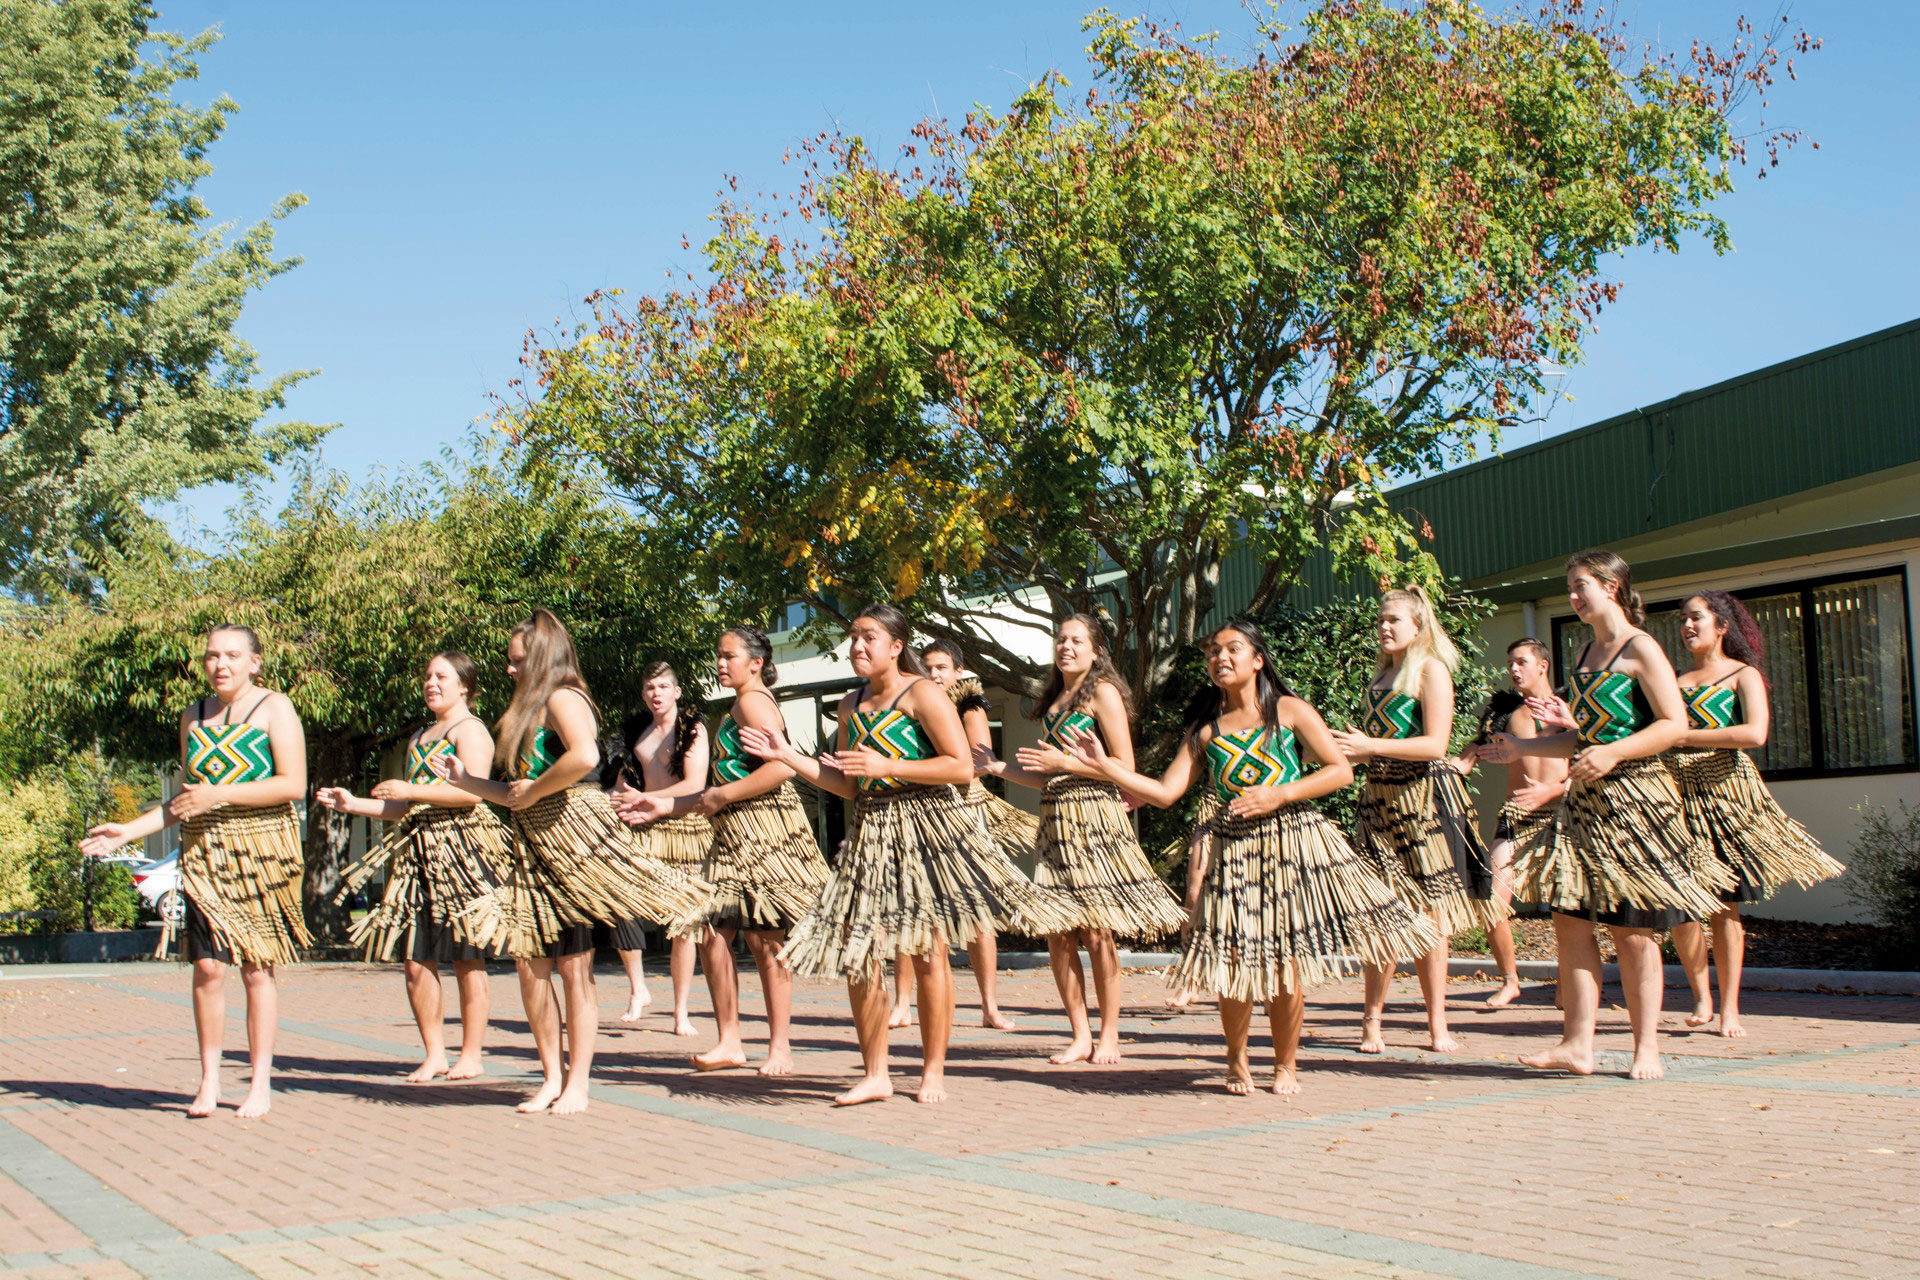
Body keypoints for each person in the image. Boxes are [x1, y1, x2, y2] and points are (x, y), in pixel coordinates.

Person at [1070, 622, 1435, 1095]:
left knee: (1285, 961)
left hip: (1290, 847)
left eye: (1233, 649)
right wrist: (1107, 768)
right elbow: (1163, 793)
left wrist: (1279, 794)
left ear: (1258, 659)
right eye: (1213, 652)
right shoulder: (1204, 731)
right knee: (1234, 959)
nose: (1221, 658)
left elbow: (1339, 770)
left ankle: (1285, 1065)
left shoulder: (1289, 710)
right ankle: (1236, 1058)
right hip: (1235, 852)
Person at [747, 605, 1076, 1104]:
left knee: (927, 952)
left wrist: (889, 762)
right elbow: (850, 786)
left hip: (925, 829)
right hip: (870, 831)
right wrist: (790, 757)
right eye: (854, 637)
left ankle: (933, 1072)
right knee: (858, 950)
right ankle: (875, 1073)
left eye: (869, 637)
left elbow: (961, 765)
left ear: (897, 646)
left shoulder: (921, 693)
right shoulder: (849, 705)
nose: (858, 646)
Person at [437, 609, 710, 1115]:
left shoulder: (564, 697)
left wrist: (531, 791)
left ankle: (577, 1083)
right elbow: (515, 791)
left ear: (540, 657)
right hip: (534, 848)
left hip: (571, 843)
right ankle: (550, 1076)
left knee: (573, 966)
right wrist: (467, 782)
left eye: (517, 660)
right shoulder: (523, 710)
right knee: (529, 966)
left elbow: (583, 758)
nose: (509, 670)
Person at [1481, 551, 1729, 1080]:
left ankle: (1646, 1049)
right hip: (1586, 807)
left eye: (1581, 586)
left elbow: (1673, 725)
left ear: (1612, 587)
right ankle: (1577, 1044)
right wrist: (1525, 747)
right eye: (1569, 587)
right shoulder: (1587, 651)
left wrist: (1614, 753)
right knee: (1569, 921)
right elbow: (1592, 739)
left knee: (1633, 930)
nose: (1573, 595)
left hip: (1638, 804)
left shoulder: (1642, 647)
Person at [81, 624, 310, 1119]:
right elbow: (184, 800)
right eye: (211, 656)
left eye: (231, 655)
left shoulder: (275, 707)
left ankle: (260, 1082)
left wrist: (219, 793)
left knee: (256, 970)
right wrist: (127, 831)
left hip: (260, 856)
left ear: (255, 661)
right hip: (204, 854)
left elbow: (292, 784)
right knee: (207, 968)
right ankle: (208, 1081)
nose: (220, 665)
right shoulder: (194, 717)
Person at [986, 613, 1187, 1065]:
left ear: (1096, 651)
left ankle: (1110, 1034)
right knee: (1059, 933)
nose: (1066, 647)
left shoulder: (1103, 693)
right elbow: (1046, 774)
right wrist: (997, 768)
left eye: (1077, 641)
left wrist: (1070, 765)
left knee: (1096, 934)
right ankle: (1079, 1035)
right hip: (1055, 821)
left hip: (1095, 821)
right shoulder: (1055, 700)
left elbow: (1126, 769)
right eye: (1060, 640)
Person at [628, 627, 828, 1075]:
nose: (721, 663)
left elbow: (781, 768)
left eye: (729, 656)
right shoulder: (738, 704)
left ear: (755, 662)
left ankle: (780, 1047)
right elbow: (712, 792)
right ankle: (730, 1041)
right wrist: (661, 804)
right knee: (713, 935)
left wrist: (726, 796)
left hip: (765, 833)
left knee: (765, 940)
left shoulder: (755, 701)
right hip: (732, 837)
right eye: (718, 656)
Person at [316, 652, 508, 1082]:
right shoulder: (420, 736)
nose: (431, 683)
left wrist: (412, 787)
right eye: (427, 676)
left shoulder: (470, 730)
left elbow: (472, 794)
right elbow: (403, 805)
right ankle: (435, 1052)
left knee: (466, 957)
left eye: (442, 677)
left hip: (460, 849)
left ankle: (471, 1054)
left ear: (465, 687)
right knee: (415, 958)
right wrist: (354, 804)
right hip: (417, 851)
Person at [1664, 591, 1844, 1038]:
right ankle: (1701, 996)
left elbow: (1755, 733)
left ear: (1721, 625)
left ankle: (1730, 1009)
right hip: (1676, 802)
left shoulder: (1743, 675)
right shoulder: (1673, 681)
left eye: (1696, 618)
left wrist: (1684, 737)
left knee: (1725, 908)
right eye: (1683, 619)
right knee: (1682, 907)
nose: (1687, 625)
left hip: (1725, 800)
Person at [1332, 586, 1499, 1054]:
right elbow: (1371, 744)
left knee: (1431, 918)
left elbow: (1436, 745)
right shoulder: (1380, 675)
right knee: (1380, 914)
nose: (1384, 627)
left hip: (1422, 803)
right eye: (1381, 619)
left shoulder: (1430, 670)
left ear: (1418, 627)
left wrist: (1370, 746)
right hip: (1378, 800)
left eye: (1394, 621)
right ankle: (1371, 1021)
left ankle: (1436, 1023)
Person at [884, 639, 1033, 1032]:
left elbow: (977, 762)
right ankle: (902, 1003)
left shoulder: (969, 705)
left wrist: (930, 765)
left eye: (941, 668)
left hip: (963, 812)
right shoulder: (912, 704)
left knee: (976, 911)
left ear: (958, 672)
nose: (933, 674)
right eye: (927, 667)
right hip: (918, 811)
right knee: (911, 905)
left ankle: (989, 1005)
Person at [1452, 638, 1570, 1008]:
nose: (1514, 669)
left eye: (1522, 662)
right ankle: (1510, 979)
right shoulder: (1504, 714)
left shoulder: (1568, 709)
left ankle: (1568, 984)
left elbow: (1591, 762)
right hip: (1516, 816)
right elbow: (1465, 760)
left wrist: (1551, 792)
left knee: (1569, 910)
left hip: (1562, 814)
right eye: (1510, 664)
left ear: (1542, 666)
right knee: (1490, 899)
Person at [606, 663, 713, 1037]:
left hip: (683, 826)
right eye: (650, 687)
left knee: (683, 925)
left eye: (664, 686)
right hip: (642, 828)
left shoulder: (693, 729)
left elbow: (695, 783)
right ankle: (639, 989)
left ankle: (681, 1011)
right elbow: (622, 779)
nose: (656, 693)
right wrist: (617, 796)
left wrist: (646, 798)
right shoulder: (637, 732)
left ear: (677, 692)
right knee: (619, 903)